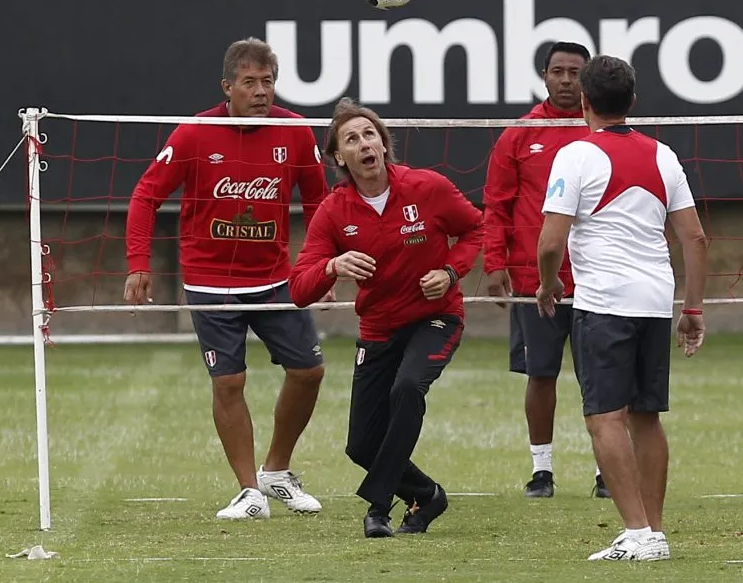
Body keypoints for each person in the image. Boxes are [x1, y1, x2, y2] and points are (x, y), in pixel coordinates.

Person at [124, 37, 333, 520]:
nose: (261, 91)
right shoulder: (196, 133)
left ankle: (276, 471)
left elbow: (320, 207)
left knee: (309, 371)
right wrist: (139, 262)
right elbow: (145, 195)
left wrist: (323, 265)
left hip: (275, 279)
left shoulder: (297, 132)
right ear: (228, 87)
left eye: (269, 82)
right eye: (250, 82)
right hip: (210, 281)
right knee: (229, 382)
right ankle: (248, 492)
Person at [535, 55, 708, 561]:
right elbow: (695, 238)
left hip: (605, 303)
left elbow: (550, 243)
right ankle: (652, 531)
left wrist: (548, 286)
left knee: (604, 417)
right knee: (646, 416)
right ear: (632, 102)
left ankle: (637, 533)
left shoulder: (575, 156)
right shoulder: (663, 154)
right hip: (655, 300)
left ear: (584, 101)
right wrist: (692, 309)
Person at [289, 97, 484, 538]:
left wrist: (451, 272)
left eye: (370, 134)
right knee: (360, 445)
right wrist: (332, 266)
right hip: (378, 329)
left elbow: (477, 227)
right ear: (340, 157)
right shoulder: (334, 210)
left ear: (383, 143)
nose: (364, 144)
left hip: (435, 318)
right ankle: (427, 494)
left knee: (408, 387)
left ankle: (378, 506)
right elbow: (299, 289)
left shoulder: (426, 188)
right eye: (352, 139)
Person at [482, 41, 610, 499]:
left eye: (575, 72)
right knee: (541, 375)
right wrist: (495, 263)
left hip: (597, 279)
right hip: (535, 281)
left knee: (601, 377)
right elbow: (495, 205)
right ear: (544, 76)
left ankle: (605, 472)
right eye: (558, 71)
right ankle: (542, 470)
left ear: (588, 78)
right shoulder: (519, 135)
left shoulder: (604, 133)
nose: (566, 80)